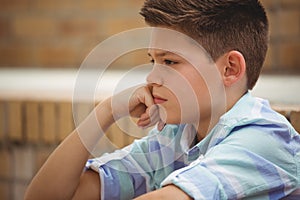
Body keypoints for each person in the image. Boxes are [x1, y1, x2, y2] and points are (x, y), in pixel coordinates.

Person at [25, 0, 300, 199]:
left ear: (229, 69)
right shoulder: (174, 139)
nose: (152, 78)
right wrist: (106, 110)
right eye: (152, 61)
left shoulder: (262, 138)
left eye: (170, 61)